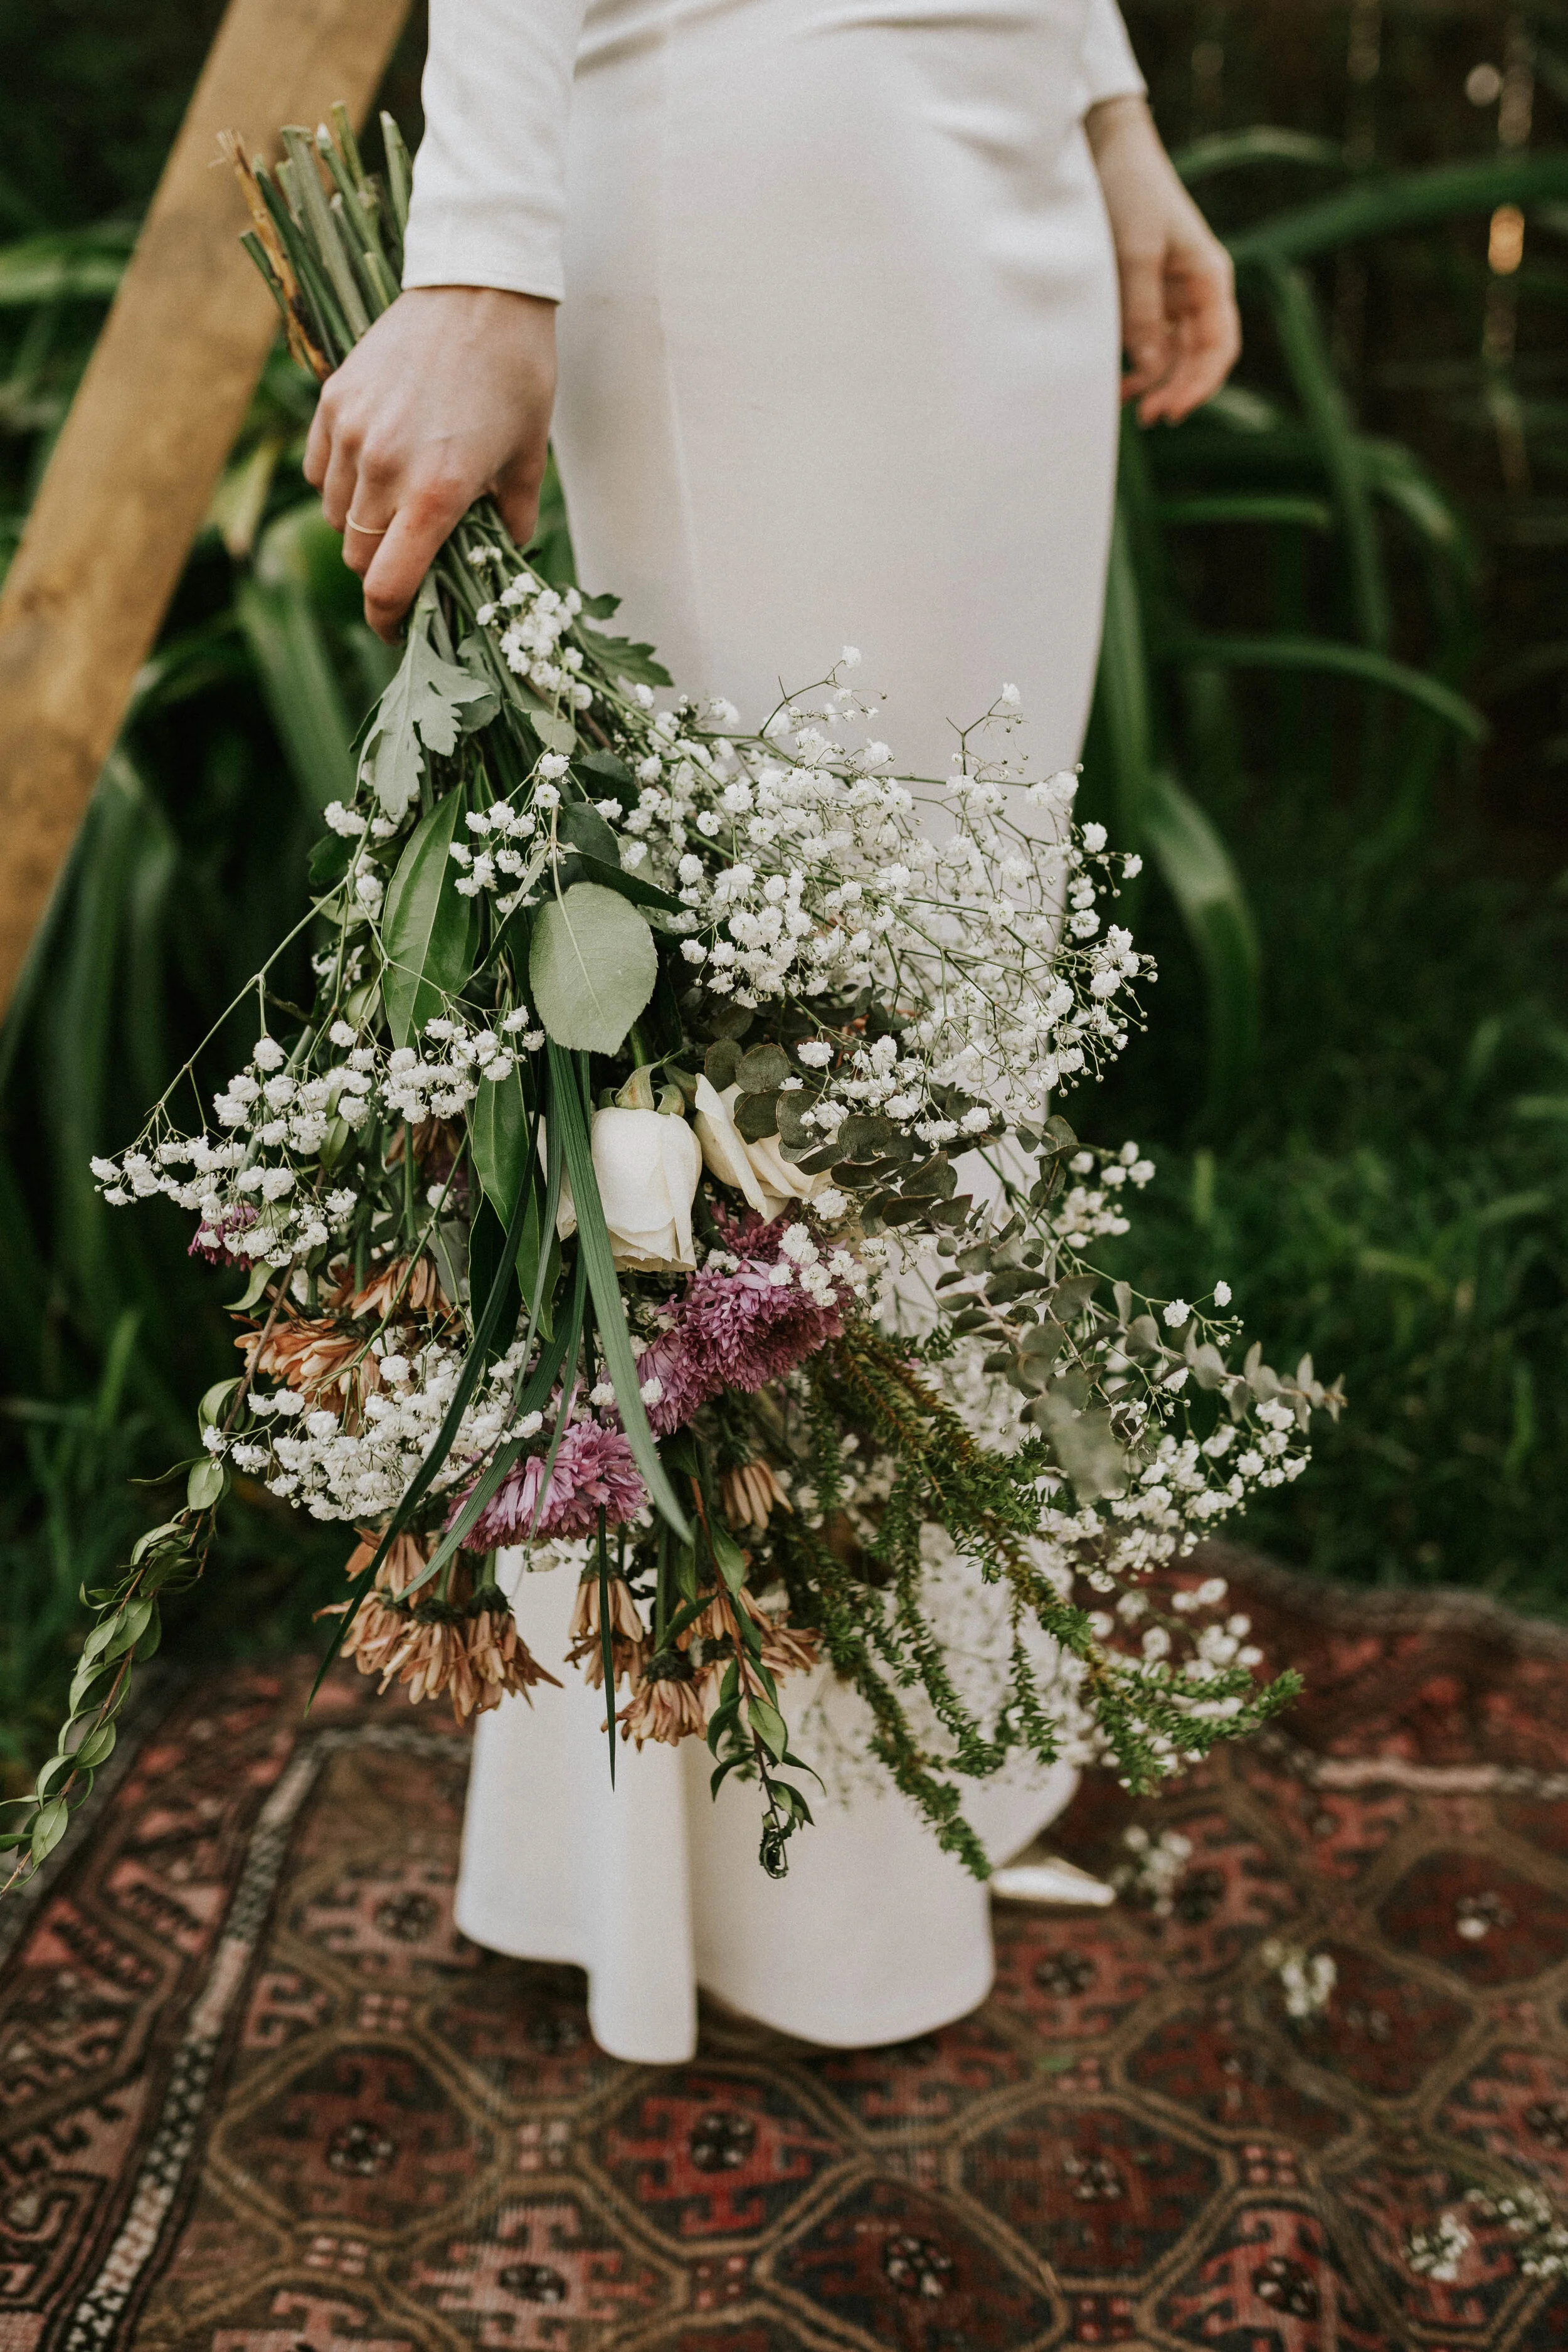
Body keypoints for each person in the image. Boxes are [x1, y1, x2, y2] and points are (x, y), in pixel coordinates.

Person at [304, 0, 1241, 2063]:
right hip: (763, 166)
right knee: (761, 1049)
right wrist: (479, 243)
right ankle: (723, 1856)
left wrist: (1105, 110)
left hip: (991, 166)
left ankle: (931, 1751)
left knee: (950, 1036)